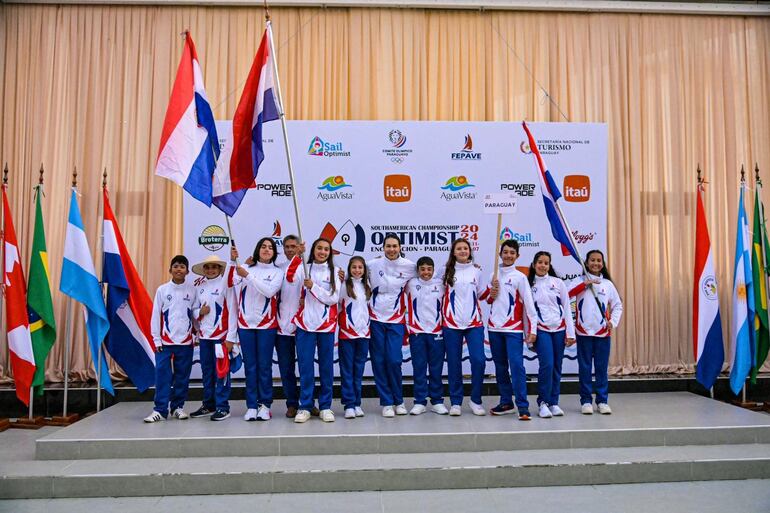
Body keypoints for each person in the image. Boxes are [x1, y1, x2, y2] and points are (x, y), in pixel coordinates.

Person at [229, 238, 282, 421]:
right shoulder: (246, 268)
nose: (267, 250)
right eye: (263, 247)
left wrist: (248, 275)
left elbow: (269, 292)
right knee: (250, 367)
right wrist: (235, 261)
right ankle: (251, 405)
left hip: (266, 325)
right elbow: (230, 281)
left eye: (270, 247)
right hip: (245, 325)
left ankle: (265, 405)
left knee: (264, 367)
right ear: (258, 249)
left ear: (274, 252)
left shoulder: (277, 272)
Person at [293, 238, 342, 423]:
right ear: (313, 250)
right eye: (319, 248)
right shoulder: (303, 269)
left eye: (326, 249)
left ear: (330, 253)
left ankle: (325, 406)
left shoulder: (336, 271)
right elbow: (290, 278)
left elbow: (333, 298)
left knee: (326, 367)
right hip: (305, 325)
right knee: (305, 367)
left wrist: (313, 286)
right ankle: (305, 406)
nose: (322, 252)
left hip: (326, 326)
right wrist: (298, 255)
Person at [145, 255, 199, 423]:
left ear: (187, 271)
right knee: (163, 376)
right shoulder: (162, 290)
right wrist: (156, 340)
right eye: (175, 266)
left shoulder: (192, 290)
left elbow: (195, 315)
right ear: (170, 270)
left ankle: (177, 407)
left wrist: (197, 335)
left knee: (182, 376)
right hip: (165, 343)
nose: (178, 269)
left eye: (182, 266)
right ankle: (160, 410)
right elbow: (155, 316)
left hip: (185, 342)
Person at [486, 239, 537, 420]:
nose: (508, 255)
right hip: (494, 328)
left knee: (516, 366)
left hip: (513, 330)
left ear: (517, 256)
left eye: (512, 253)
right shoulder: (494, 274)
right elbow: (488, 300)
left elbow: (529, 306)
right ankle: (506, 402)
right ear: (500, 254)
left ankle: (523, 406)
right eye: (505, 252)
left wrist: (533, 330)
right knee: (500, 368)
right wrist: (491, 293)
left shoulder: (520, 277)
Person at [568, 249, 623, 415]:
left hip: (602, 334)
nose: (596, 263)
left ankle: (602, 401)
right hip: (583, 333)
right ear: (586, 262)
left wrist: (612, 322)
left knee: (601, 368)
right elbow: (566, 296)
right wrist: (584, 285)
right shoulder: (578, 281)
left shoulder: (608, 284)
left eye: (599, 261)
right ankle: (586, 401)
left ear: (603, 264)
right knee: (584, 368)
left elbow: (617, 305)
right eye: (592, 260)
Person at [367, 234, 416, 417]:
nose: (392, 249)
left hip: (396, 320)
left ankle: (399, 400)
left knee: (394, 360)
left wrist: (471, 267)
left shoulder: (410, 266)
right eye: (388, 246)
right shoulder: (372, 265)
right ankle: (386, 402)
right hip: (375, 319)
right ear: (383, 247)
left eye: (395, 246)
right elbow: (353, 276)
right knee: (379, 361)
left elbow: (431, 277)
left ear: (400, 247)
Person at [442, 238, 489, 416]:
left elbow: (482, 294)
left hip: (474, 323)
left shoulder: (477, 271)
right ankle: (455, 402)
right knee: (454, 363)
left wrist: (492, 288)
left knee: (479, 360)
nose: (462, 251)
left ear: (470, 251)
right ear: (453, 252)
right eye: (459, 249)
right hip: (451, 324)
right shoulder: (445, 271)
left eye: (465, 248)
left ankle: (475, 400)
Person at [189, 255, 238, 421]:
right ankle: (208, 404)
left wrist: (231, 337)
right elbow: (193, 310)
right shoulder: (199, 287)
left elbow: (233, 311)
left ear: (220, 269)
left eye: (214, 267)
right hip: (204, 338)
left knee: (221, 372)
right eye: (208, 267)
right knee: (207, 372)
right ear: (204, 270)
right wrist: (198, 313)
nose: (211, 270)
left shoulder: (226, 285)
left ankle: (223, 406)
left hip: (221, 337)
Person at [528, 251, 575, 418]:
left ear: (549, 265)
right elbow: (529, 312)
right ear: (534, 265)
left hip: (559, 330)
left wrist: (570, 333)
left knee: (557, 366)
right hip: (541, 330)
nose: (542, 265)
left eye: (546, 263)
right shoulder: (528, 285)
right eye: (539, 262)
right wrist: (531, 333)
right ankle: (543, 402)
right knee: (546, 365)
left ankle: (553, 402)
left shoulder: (558, 283)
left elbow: (567, 307)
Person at [405, 256, 448, 415]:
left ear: (433, 269)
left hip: (437, 332)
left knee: (436, 368)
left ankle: (437, 401)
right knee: (419, 368)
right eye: (422, 269)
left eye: (429, 269)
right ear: (418, 270)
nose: (426, 272)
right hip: (417, 332)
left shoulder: (440, 284)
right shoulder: (411, 284)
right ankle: (419, 401)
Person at [338, 256, 371, 419]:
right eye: (354, 267)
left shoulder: (367, 286)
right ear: (349, 268)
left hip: (364, 334)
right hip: (347, 334)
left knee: (359, 370)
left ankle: (357, 403)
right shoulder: (343, 286)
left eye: (360, 267)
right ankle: (349, 404)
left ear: (364, 270)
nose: (357, 270)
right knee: (347, 371)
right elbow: (337, 307)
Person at [275, 235, 303, 418]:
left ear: (299, 247)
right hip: (282, 327)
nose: (290, 249)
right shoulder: (278, 270)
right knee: (286, 369)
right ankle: (292, 403)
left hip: (303, 326)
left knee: (306, 368)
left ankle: (308, 403)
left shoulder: (308, 268)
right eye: (287, 247)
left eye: (293, 246)